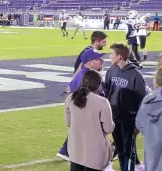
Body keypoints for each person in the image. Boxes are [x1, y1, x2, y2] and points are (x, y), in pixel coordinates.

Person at [104, 43, 149, 171]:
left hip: (129, 119)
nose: (110, 56)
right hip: (114, 116)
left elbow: (142, 99)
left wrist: (138, 122)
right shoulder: (112, 70)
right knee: (120, 147)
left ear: (119, 56)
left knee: (127, 149)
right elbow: (107, 91)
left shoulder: (135, 75)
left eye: (111, 54)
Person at [58, 48, 106, 162]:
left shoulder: (82, 74)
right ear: (89, 62)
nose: (102, 61)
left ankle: (65, 150)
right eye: (98, 59)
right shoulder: (89, 78)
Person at [65, 70, 114, 171]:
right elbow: (108, 129)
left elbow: (68, 123)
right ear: (98, 85)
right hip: (95, 152)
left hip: (76, 149)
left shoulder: (70, 99)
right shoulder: (102, 102)